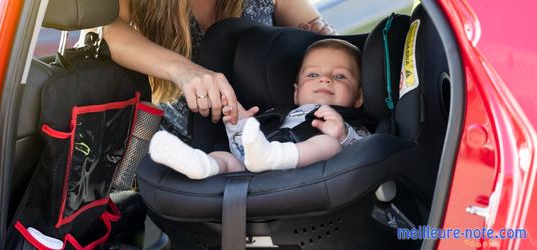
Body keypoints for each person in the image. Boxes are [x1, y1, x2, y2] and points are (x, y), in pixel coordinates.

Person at [104, 0, 337, 143]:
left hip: (277, 136)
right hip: (188, 152)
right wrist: (183, 70)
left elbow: (322, 37)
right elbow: (108, 29)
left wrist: (322, 36)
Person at [149, 39, 372, 179]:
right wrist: (241, 124)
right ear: (295, 92)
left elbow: (365, 152)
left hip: (309, 176)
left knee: (329, 144)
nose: (324, 79)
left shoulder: (350, 122)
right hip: (253, 167)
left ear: (359, 97)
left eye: (339, 76)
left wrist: (343, 135)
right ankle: (202, 165)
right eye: (313, 75)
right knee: (225, 156)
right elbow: (244, 149)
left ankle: (271, 156)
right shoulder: (279, 115)